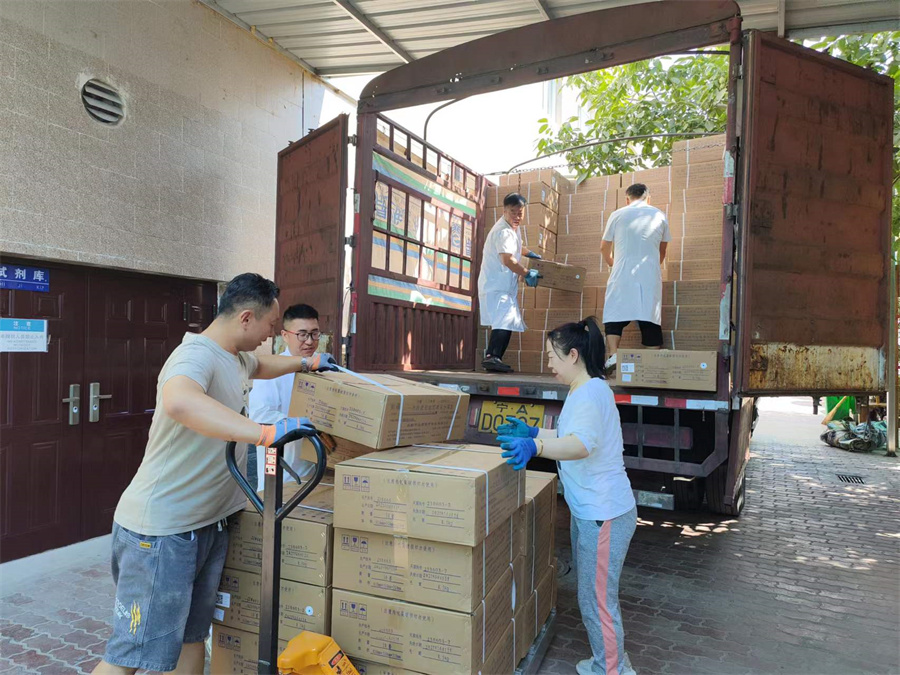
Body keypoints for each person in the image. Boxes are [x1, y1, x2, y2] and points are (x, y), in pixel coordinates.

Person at [93, 273, 336, 675]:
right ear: (246, 318)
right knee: (130, 655)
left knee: (193, 638)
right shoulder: (195, 356)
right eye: (270, 325)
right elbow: (180, 401)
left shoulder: (236, 357)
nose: (271, 335)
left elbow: (263, 364)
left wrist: (307, 362)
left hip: (207, 524)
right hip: (163, 531)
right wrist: (263, 433)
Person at [496, 316, 637, 675]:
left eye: (551, 356)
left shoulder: (589, 393)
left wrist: (537, 446)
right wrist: (534, 431)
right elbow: (570, 434)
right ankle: (610, 661)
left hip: (603, 513)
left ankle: (612, 669)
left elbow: (581, 445)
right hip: (590, 510)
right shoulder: (584, 389)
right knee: (592, 594)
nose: (548, 364)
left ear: (573, 355)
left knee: (597, 599)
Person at [248, 303, 336, 491]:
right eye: (302, 335)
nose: (310, 341)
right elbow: (259, 415)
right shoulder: (272, 371)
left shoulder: (324, 367)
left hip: (319, 470)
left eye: (314, 334)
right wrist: (304, 425)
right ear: (285, 335)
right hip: (284, 472)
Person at [600, 183, 670, 370]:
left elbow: (604, 246)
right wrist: (652, 267)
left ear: (627, 199)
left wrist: (612, 262)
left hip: (622, 272)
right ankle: (651, 361)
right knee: (649, 316)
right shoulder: (659, 215)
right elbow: (663, 250)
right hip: (649, 275)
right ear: (648, 198)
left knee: (614, 314)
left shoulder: (617, 214)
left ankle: (614, 355)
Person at [477, 192, 542, 372]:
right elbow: (507, 259)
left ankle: (494, 358)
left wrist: (528, 253)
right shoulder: (503, 231)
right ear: (504, 211)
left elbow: (516, 246)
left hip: (502, 285)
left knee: (507, 320)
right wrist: (526, 273)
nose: (517, 216)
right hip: (496, 285)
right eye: (513, 212)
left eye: (520, 213)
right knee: (504, 321)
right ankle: (492, 356)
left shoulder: (512, 227)